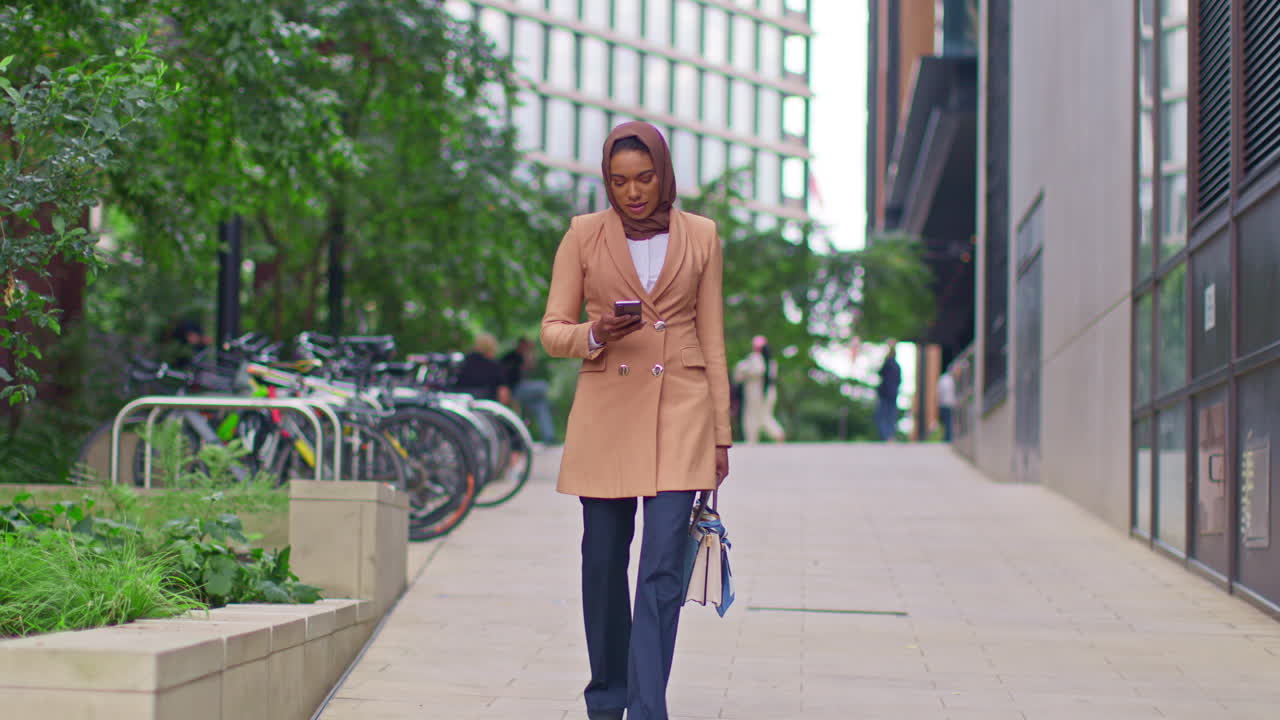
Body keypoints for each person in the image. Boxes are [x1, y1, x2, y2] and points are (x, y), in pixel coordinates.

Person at [541, 121, 731, 720]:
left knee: (661, 574)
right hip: (607, 415)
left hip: (683, 411)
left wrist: (722, 436)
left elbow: (714, 339)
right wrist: (595, 332)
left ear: (664, 173)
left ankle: (649, 708)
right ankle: (607, 700)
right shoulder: (582, 236)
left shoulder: (702, 236)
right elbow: (551, 331)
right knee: (601, 563)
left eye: (645, 177)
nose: (634, 192)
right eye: (620, 181)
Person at [501, 337, 557, 445]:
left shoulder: (520, 357)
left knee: (541, 405)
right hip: (514, 389)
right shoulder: (512, 357)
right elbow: (528, 368)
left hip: (521, 390)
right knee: (543, 386)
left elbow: (530, 369)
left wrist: (532, 352)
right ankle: (552, 403)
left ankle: (549, 436)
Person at [733, 335, 785, 443]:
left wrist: (742, 370)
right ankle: (777, 434)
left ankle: (753, 439)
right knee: (763, 416)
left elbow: (746, 372)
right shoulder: (770, 361)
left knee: (754, 416)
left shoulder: (756, 358)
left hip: (757, 393)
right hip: (766, 393)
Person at [452, 333, 510, 404]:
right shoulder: (494, 366)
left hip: (460, 405)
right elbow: (503, 393)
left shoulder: (463, 362)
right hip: (485, 407)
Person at [875, 340, 901, 442]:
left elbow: (880, 373)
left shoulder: (887, 364)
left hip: (885, 393)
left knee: (882, 416)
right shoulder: (897, 366)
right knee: (891, 415)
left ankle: (886, 436)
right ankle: (890, 435)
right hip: (893, 393)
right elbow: (899, 380)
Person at [937, 366, 957, 442]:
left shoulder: (944, 379)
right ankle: (948, 439)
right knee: (948, 422)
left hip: (944, 404)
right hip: (947, 404)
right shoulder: (948, 380)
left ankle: (947, 438)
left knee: (947, 422)